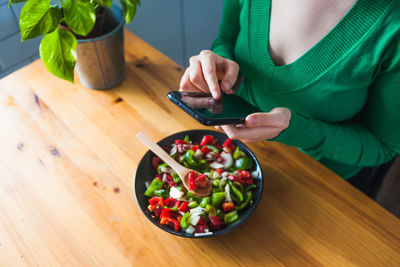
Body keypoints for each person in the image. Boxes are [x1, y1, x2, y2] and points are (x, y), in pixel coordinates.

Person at [179, 0, 400, 198]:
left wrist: (296, 130)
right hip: (236, 153)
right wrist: (220, 66)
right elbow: (227, 38)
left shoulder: (392, 24)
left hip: (327, 185)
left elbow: (383, 146)